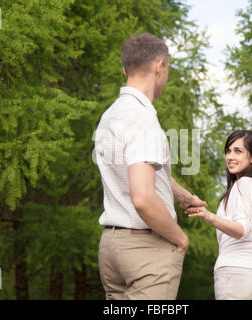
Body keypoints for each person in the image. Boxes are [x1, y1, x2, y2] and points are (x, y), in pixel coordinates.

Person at [94, 33, 207, 300]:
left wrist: (185, 197)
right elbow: (143, 197)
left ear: (125, 69)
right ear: (160, 66)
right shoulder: (142, 119)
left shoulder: (110, 116)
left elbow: (140, 174)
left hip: (111, 247)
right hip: (145, 248)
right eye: (168, 68)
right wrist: (180, 238)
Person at [185, 130, 252, 300]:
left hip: (236, 275)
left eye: (238, 151)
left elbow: (241, 230)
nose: (230, 156)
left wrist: (209, 216)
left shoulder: (243, 184)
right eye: (228, 151)